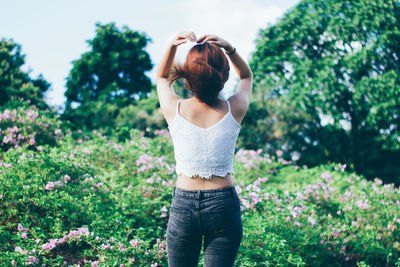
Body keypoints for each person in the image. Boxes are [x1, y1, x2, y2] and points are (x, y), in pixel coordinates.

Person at [156, 31, 253, 267]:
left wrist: (171, 46)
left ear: (187, 78)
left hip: (184, 204)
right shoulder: (234, 109)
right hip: (223, 204)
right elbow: (247, 76)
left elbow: (161, 77)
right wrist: (229, 48)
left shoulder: (174, 108)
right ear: (224, 76)